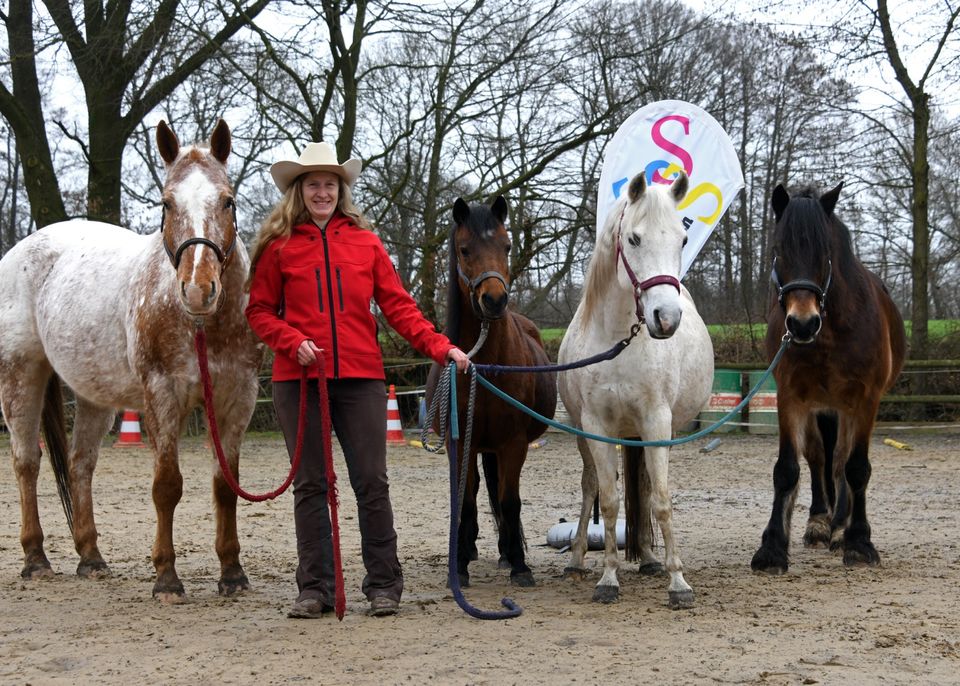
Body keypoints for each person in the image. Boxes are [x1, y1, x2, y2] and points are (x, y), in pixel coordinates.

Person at [245, 142, 470, 618]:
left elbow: (399, 307)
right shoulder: (277, 247)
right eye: (313, 184)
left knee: (371, 481)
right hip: (299, 380)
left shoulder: (366, 244)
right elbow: (259, 312)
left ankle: (384, 584)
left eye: (330, 184)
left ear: (341, 190)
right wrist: (291, 340)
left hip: (361, 378)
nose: (322, 191)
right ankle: (315, 589)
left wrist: (439, 346)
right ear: (299, 191)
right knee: (310, 484)